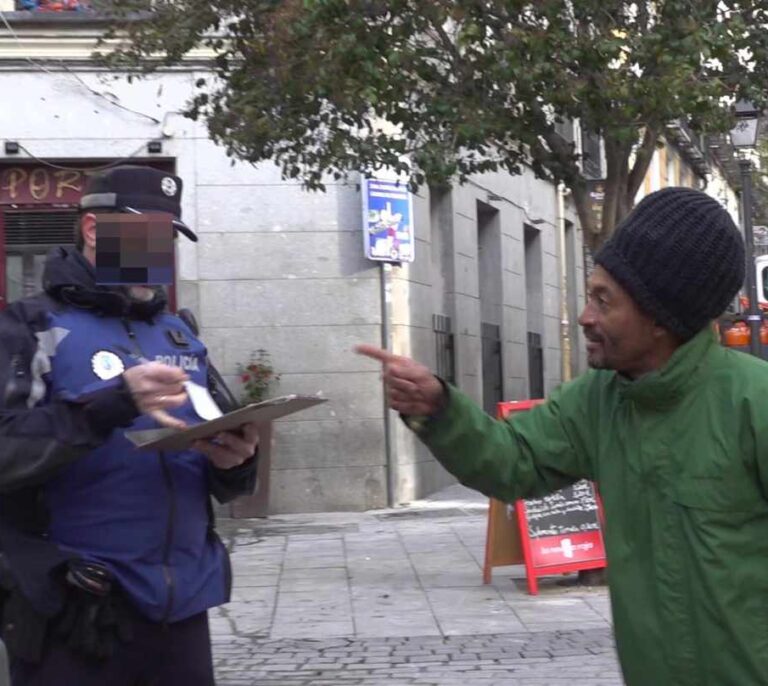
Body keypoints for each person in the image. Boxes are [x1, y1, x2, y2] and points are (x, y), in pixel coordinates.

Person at [358, 187, 767, 686]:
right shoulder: (599, 398)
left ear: (661, 317)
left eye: (603, 300)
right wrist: (440, 410)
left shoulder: (753, 403)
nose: (584, 317)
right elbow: (514, 459)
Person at [0, 165, 259, 685]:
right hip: (76, 605)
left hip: (181, 605)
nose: (161, 254)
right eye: (149, 236)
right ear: (95, 230)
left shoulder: (179, 334)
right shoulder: (30, 326)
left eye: (169, 239)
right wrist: (112, 404)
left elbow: (215, 436)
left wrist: (236, 462)